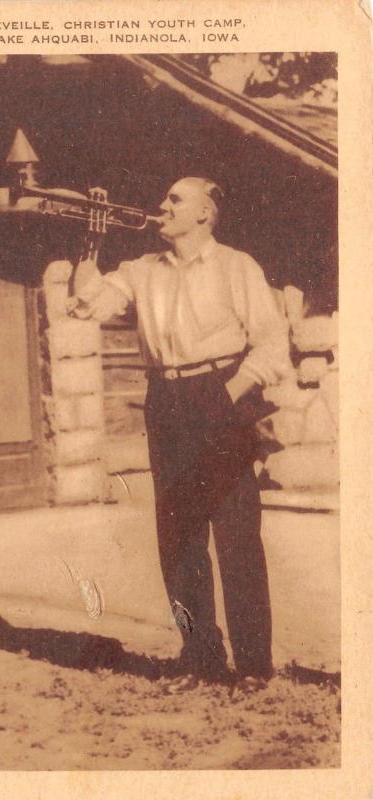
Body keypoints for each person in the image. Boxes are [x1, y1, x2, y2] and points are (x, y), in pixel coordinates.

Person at [68, 177, 289, 684]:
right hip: (165, 402)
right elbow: (86, 305)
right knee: (178, 536)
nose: (161, 205)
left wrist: (225, 396)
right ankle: (201, 660)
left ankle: (255, 669)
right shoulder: (142, 270)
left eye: (174, 199)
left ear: (205, 214)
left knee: (235, 535)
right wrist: (90, 243)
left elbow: (272, 347)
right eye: (163, 197)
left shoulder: (237, 266)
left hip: (221, 393)